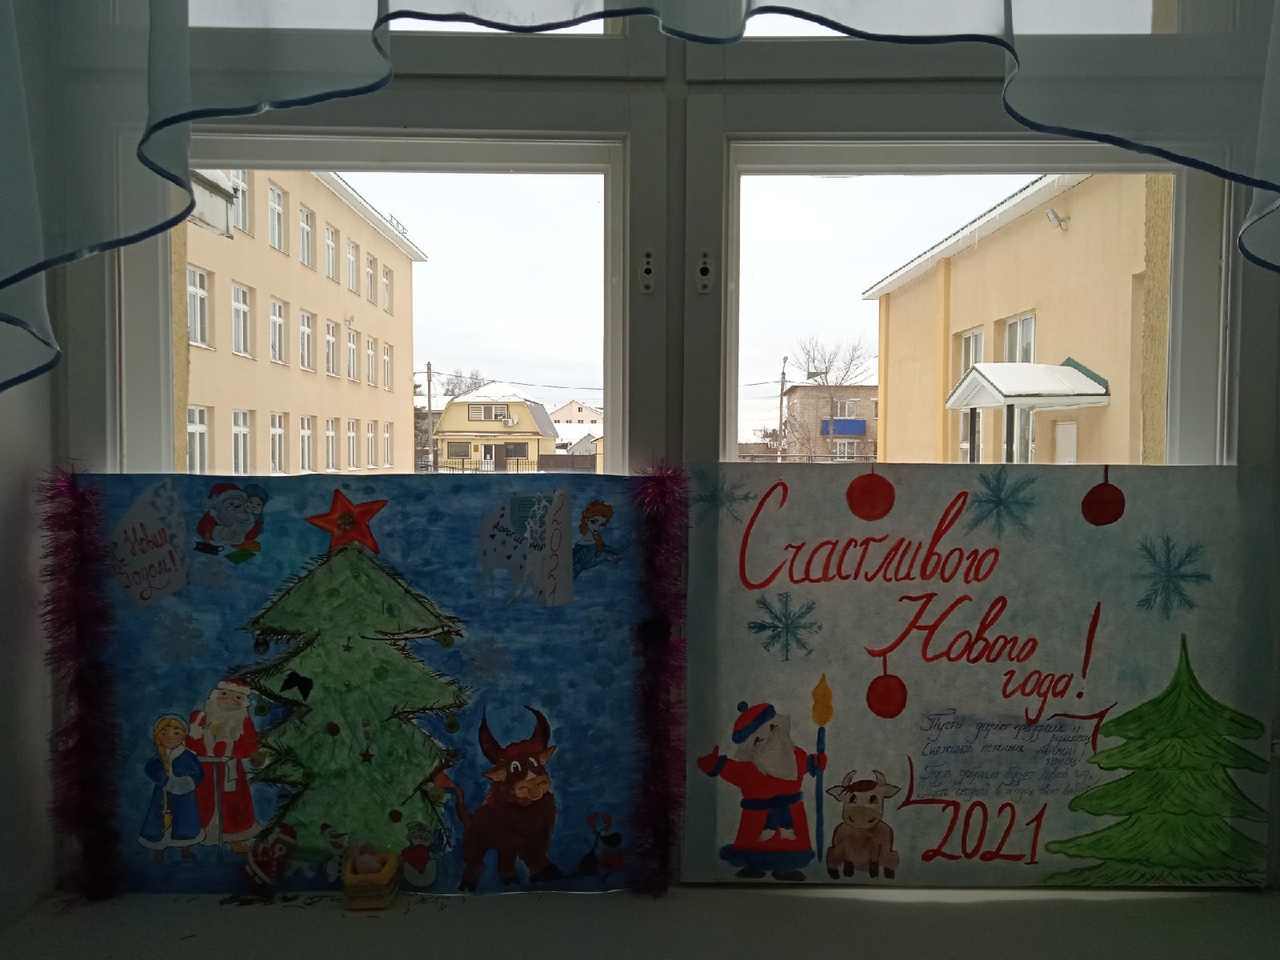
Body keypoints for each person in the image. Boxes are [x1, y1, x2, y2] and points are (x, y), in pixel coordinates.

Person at [696, 701, 825, 881]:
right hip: (757, 817)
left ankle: (785, 868)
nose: (772, 737)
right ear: (752, 745)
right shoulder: (748, 768)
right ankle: (754, 866)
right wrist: (714, 764)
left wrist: (817, 762)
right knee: (753, 842)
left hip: (791, 813)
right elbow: (729, 768)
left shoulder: (795, 756)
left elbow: (807, 764)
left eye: (773, 728)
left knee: (789, 844)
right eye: (760, 739)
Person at [187, 678, 262, 852]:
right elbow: (191, 743)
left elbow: (250, 746)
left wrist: (230, 750)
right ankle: (200, 835)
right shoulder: (200, 717)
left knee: (234, 805)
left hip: (230, 770)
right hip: (205, 770)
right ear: (216, 695)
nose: (228, 700)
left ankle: (236, 839)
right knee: (203, 802)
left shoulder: (243, 721)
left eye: (236, 697)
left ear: (243, 702)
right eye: (225, 694)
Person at [137, 714, 204, 861]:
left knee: (185, 822)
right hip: (163, 794)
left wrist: (190, 781)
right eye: (164, 734)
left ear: (184, 735)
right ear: (158, 736)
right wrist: (163, 779)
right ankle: (159, 850)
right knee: (159, 822)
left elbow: (198, 772)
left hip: (185, 795)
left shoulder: (188, 756)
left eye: (176, 733)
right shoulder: (158, 758)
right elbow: (151, 769)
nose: (170, 737)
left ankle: (185, 849)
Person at [572, 500, 619, 577]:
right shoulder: (580, 545)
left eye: (602, 525)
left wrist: (630, 539)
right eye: (593, 522)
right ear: (587, 520)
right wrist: (604, 560)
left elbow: (616, 551)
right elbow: (585, 566)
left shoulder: (597, 542)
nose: (597, 527)